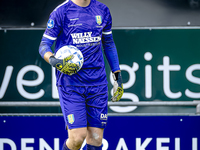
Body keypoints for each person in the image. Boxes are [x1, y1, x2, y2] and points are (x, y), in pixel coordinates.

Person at [39, 0, 123, 149]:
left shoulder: (102, 10)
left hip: (97, 84)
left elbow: (108, 43)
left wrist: (117, 76)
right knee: (77, 138)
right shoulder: (61, 12)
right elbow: (44, 45)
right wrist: (54, 61)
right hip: (71, 84)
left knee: (96, 139)